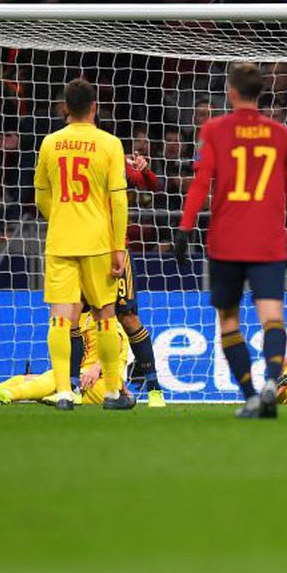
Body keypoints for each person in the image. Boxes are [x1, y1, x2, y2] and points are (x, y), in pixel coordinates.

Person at [175, 62, 287, 418]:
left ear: (231, 92)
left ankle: (249, 394)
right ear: (260, 93)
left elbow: (201, 182)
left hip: (227, 241)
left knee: (229, 321)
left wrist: (185, 228)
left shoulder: (214, 129)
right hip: (268, 241)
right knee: (272, 317)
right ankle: (270, 384)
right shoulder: (281, 134)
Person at [33, 78, 129, 411]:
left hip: (60, 238)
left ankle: (62, 391)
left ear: (64, 109)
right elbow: (118, 199)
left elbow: (41, 195)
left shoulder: (50, 143)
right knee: (105, 314)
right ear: (94, 107)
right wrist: (119, 246)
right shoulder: (110, 144)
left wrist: (60, 215)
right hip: (99, 240)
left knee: (60, 317)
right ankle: (115, 392)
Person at [0, 310, 133, 406]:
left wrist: (96, 368)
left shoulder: (107, 317)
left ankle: (7, 395)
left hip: (102, 385)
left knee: (51, 379)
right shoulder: (80, 317)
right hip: (79, 380)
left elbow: (117, 346)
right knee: (24, 379)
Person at [113, 152, 167, 407]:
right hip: (81, 247)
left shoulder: (114, 155)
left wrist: (144, 170)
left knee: (128, 317)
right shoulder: (66, 151)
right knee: (74, 314)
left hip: (115, 249)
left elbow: (152, 185)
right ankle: (71, 388)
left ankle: (154, 388)